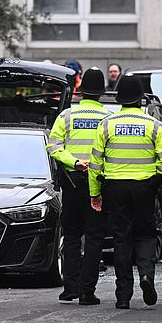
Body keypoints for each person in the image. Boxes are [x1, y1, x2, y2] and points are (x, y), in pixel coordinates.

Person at [89, 75, 162, 309]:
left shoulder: (107, 124)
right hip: (144, 187)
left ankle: (123, 296)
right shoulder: (154, 125)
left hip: (115, 187)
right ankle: (146, 276)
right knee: (146, 234)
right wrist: (156, 178)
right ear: (140, 99)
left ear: (119, 99)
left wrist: (95, 193)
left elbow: (95, 163)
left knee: (121, 238)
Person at [47, 67, 111, 305]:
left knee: (72, 235)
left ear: (81, 90)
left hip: (72, 182)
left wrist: (74, 162)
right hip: (98, 185)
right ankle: (87, 291)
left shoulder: (66, 116)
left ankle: (69, 288)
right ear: (102, 92)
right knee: (94, 238)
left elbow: (53, 147)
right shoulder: (107, 118)